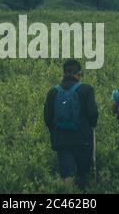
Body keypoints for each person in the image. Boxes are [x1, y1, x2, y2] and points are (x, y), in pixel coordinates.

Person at [44, 59, 98, 188]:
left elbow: (47, 118)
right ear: (79, 74)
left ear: (63, 74)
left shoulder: (53, 92)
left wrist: (56, 130)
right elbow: (93, 114)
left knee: (67, 177)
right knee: (83, 176)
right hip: (83, 140)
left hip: (62, 140)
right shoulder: (86, 89)